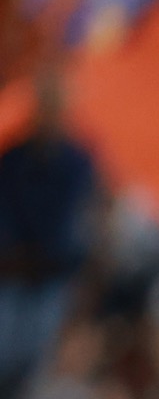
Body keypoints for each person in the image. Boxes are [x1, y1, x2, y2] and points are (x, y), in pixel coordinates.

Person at [0, 67, 101, 284]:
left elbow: (74, 223)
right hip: (14, 267)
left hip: (59, 270)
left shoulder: (79, 161)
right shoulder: (13, 159)